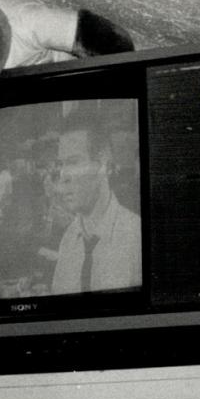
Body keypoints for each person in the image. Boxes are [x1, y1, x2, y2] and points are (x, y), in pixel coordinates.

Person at [47, 126, 141, 294]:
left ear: (103, 165)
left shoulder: (137, 236)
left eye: (73, 162)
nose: (63, 176)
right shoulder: (69, 239)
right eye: (61, 165)